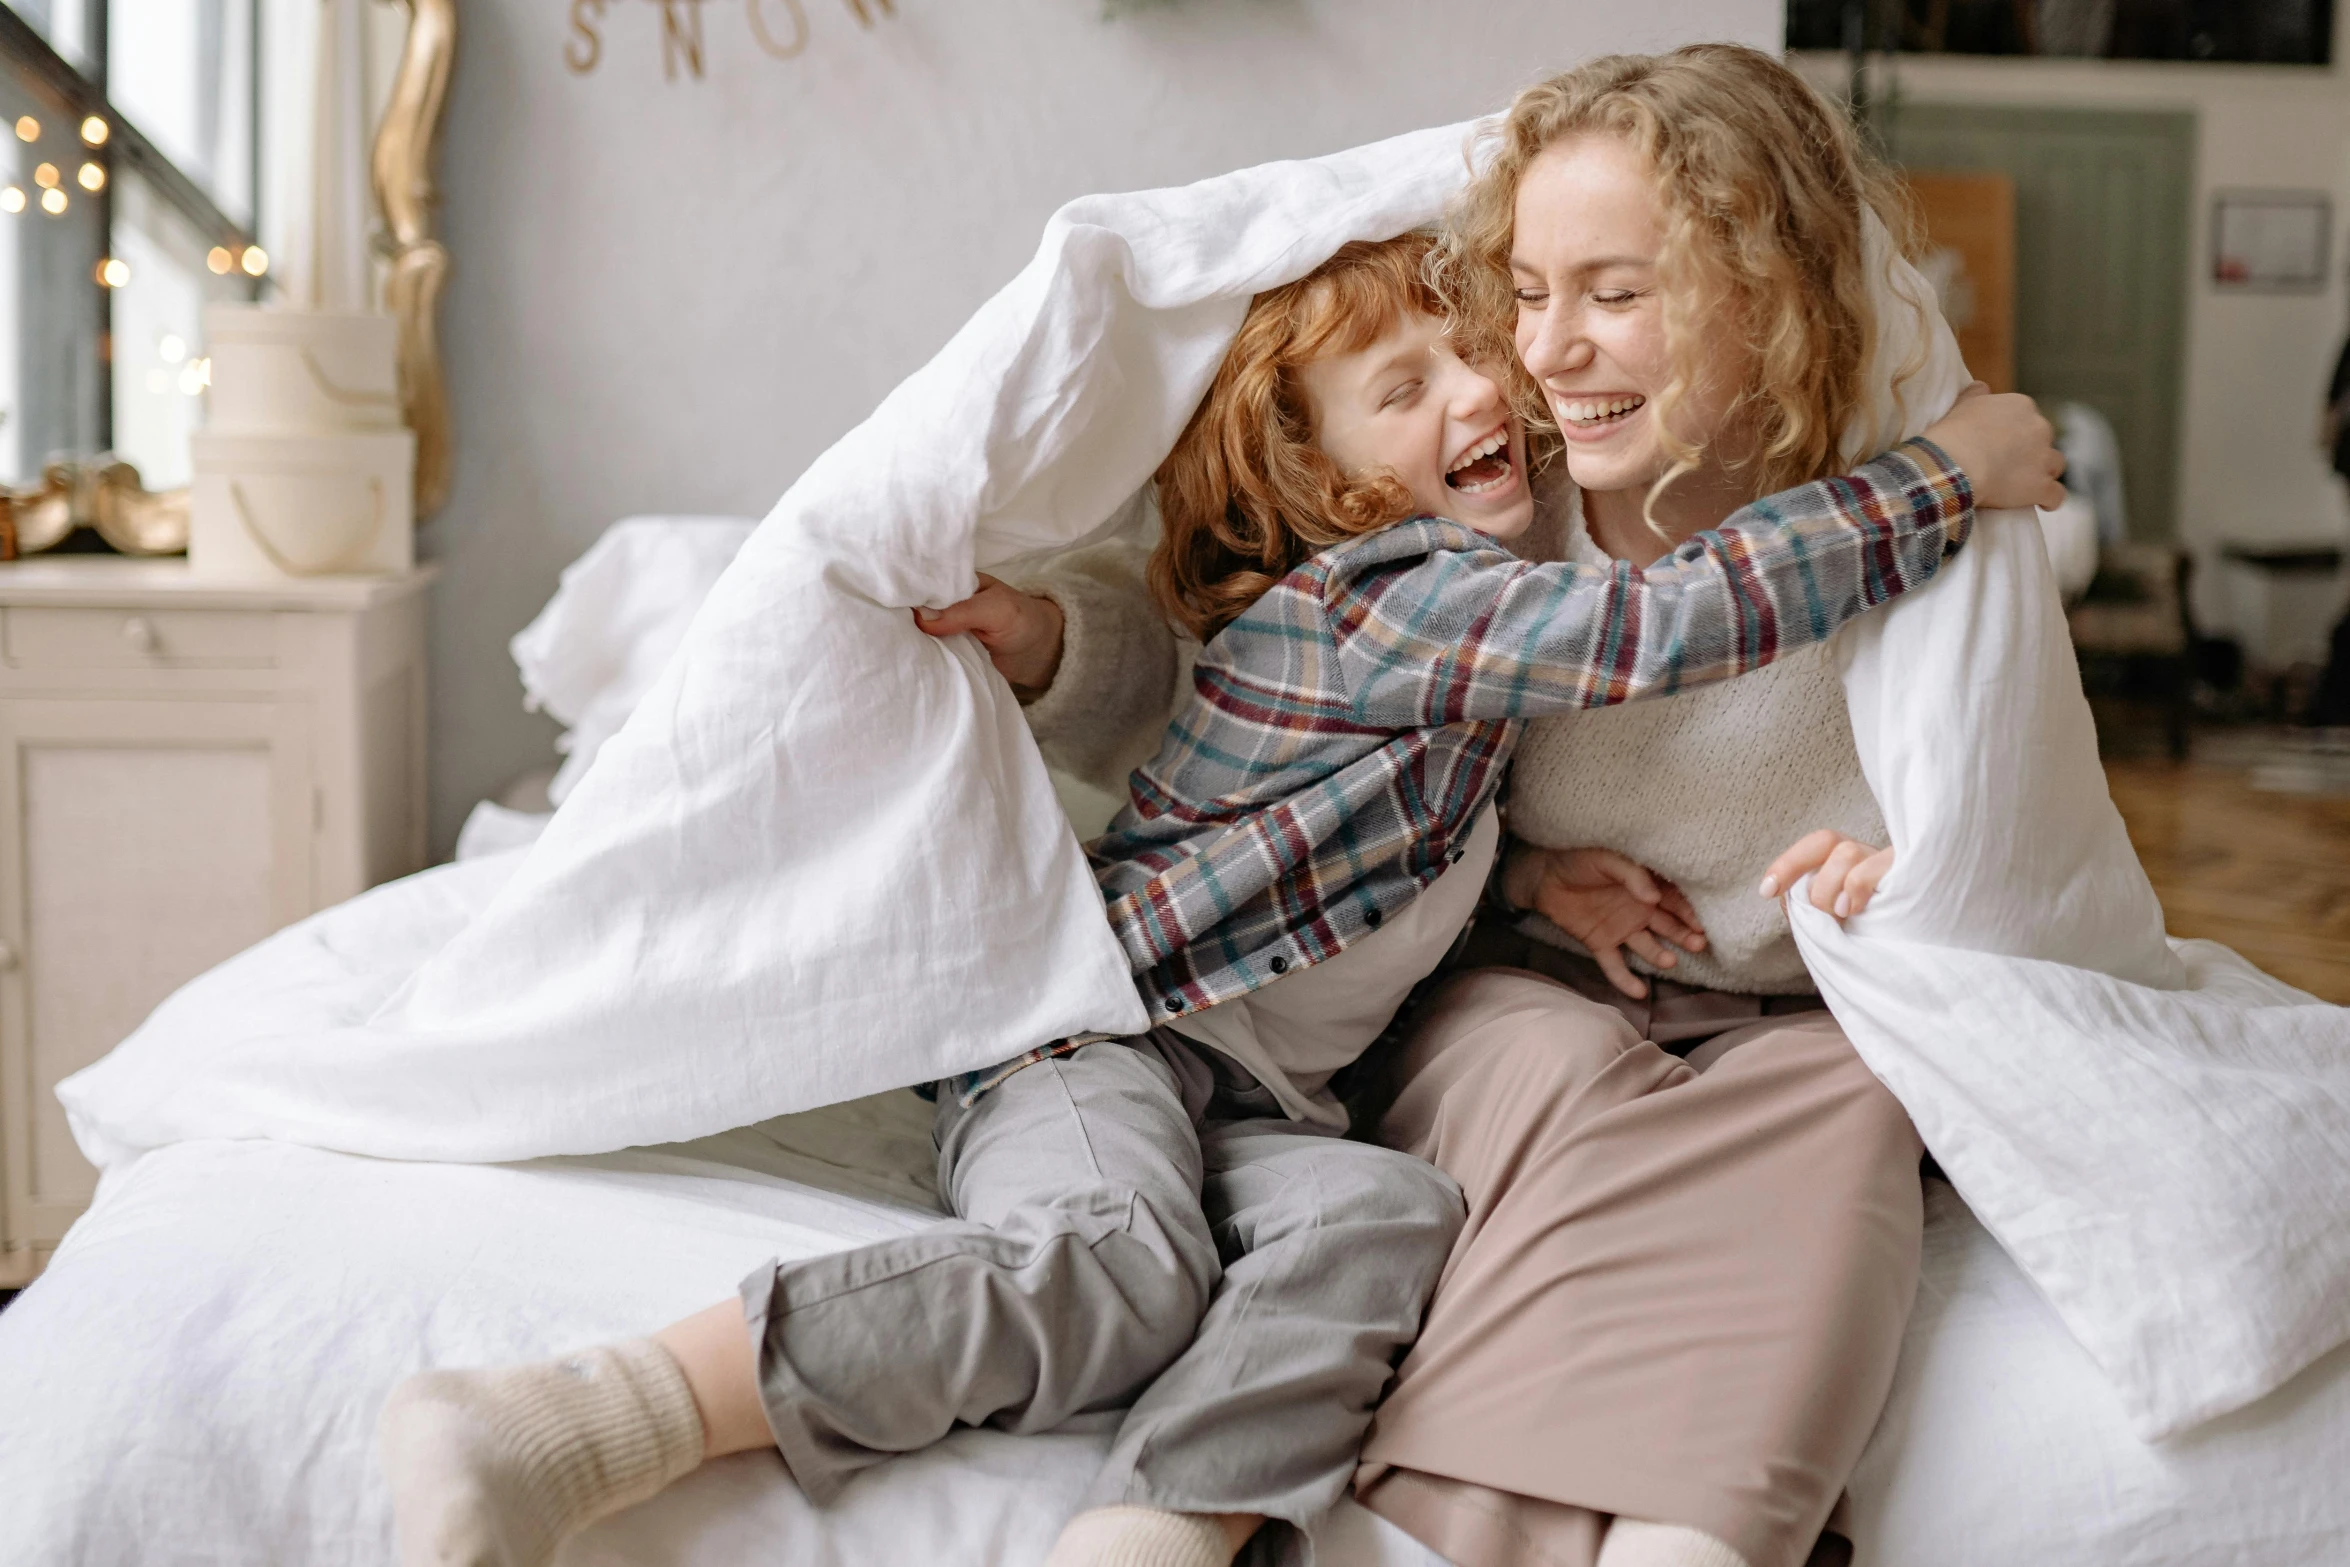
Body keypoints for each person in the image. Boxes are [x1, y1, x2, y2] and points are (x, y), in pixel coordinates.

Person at [376, 222, 2056, 1567]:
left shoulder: (1453, 671)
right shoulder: (1397, 595)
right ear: (1328, 486)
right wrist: (1936, 474)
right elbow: (1652, 626)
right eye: (1401, 388)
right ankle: (569, 1420)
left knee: (1384, 1218)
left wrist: (1533, 879)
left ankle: (1154, 1529)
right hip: (1093, 1048)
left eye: (1476, 349)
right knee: (1115, 1263)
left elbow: (1347, 860)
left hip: (1246, 1089)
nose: (1475, 391)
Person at [947, 45, 2067, 1567]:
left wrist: (1918, 867)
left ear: (1767, 287)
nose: (1542, 353)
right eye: (1527, 295)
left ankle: (1691, 1523)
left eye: (1616, 293)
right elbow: (1252, 675)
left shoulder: (1882, 501)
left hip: (1801, 1002)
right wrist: (1055, 645)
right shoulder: (1488, 498)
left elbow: (2007, 805)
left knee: (1840, 1111)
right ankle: (1458, 1514)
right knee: (1526, 1066)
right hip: (1528, 985)